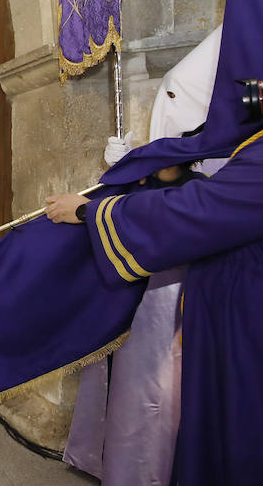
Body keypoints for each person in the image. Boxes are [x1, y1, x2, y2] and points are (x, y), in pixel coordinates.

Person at [62, 25, 222, 484]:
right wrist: (119, 173)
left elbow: (158, 222)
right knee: (120, 388)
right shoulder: (143, 176)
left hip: (171, 309)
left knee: (157, 394)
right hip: (127, 301)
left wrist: (97, 208)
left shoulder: (204, 188)